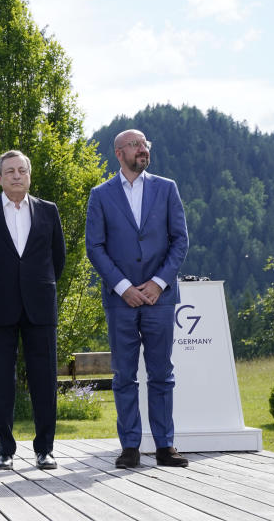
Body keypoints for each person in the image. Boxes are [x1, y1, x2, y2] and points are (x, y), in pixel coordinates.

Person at [86, 129, 189, 469]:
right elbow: (95, 246)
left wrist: (158, 283)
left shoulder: (167, 188)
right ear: (119, 153)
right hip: (121, 300)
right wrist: (122, 287)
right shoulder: (100, 195)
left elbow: (180, 241)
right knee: (124, 376)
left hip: (160, 298)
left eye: (146, 144)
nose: (143, 149)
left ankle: (165, 446)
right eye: (136, 145)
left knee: (162, 374)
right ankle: (130, 446)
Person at [0, 150, 65, 471]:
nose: (17, 176)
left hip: (40, 307)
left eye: (22, 170)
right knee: (0, 381)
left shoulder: (49, 211)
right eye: (10, 171)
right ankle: (5, 449)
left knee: (45, 381)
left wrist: (37, 284)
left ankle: (44, 449)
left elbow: (57, 259)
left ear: (30, 175)